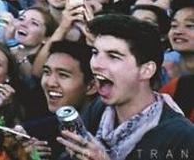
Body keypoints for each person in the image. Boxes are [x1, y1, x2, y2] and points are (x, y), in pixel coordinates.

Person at [59, 14, 194, 160]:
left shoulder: (180, 136)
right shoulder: (98, 109)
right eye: (95, 53)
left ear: (146, 70)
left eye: (113, 56)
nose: (96, 64)